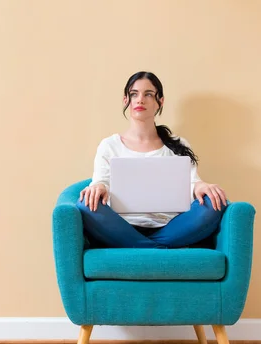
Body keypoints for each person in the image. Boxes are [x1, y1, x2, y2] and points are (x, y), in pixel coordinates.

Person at [77, 71, 228, 249]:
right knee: (84, 205)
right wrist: (99, 187)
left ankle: (143, 246)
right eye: (134, 94)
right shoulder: (109, 145)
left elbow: (192, 183)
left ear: (160, 102)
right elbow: (100, 182)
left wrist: (201, 186)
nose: (140, 100)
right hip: (120, 227)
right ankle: (158, 248)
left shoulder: (178, 145)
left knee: (215, 203)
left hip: (172, 227)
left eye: (148, 94)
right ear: (126, 100)